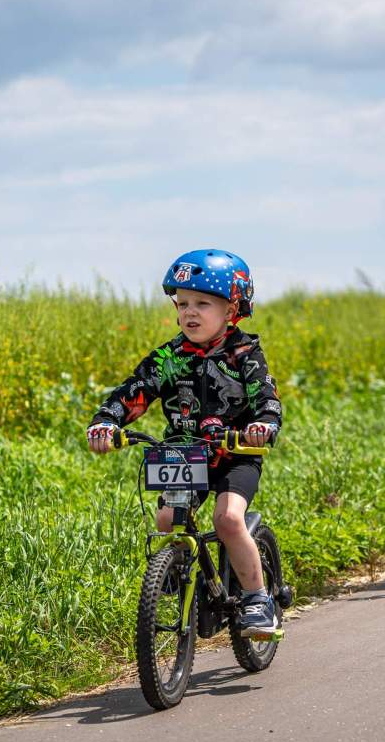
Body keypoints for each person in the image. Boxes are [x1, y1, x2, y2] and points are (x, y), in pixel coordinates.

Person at [86, 249, 283, 635]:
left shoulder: (244, 354)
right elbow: (133, 391)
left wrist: (263, 424)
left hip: (236, 454)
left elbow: (266, 397)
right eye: (183, 303)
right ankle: (180, 577)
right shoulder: (169, 357)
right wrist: (106, 422)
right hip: (185, 455)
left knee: (228, 520)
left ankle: (258, 599)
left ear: (231, 309)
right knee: (166, 520)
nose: (190, 312)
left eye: (202, 304)